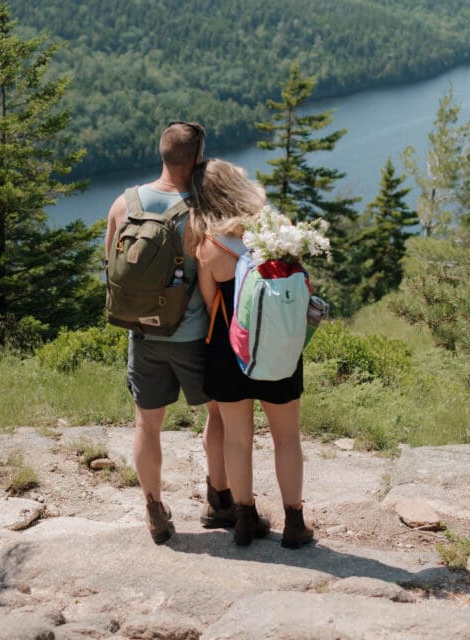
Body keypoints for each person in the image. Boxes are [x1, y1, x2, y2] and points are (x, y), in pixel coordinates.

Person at [105, 122, 234, 544]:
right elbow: (209, 280)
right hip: (194, 336)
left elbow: (112, 270)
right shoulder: (201, 213)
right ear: (198, 160)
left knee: (148, 424)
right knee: (218, 414)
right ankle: (219, 500)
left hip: (142, 336)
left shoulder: (123, 205)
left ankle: (154, 506)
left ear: (162, 154)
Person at [188, 158, 314, 549]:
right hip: (278, 348)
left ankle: (245, 518)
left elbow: (211, 305)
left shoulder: (209, 246)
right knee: (286, 438)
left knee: (238, 440)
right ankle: (294, 522)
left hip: (229, 351)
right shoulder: (281, 231)